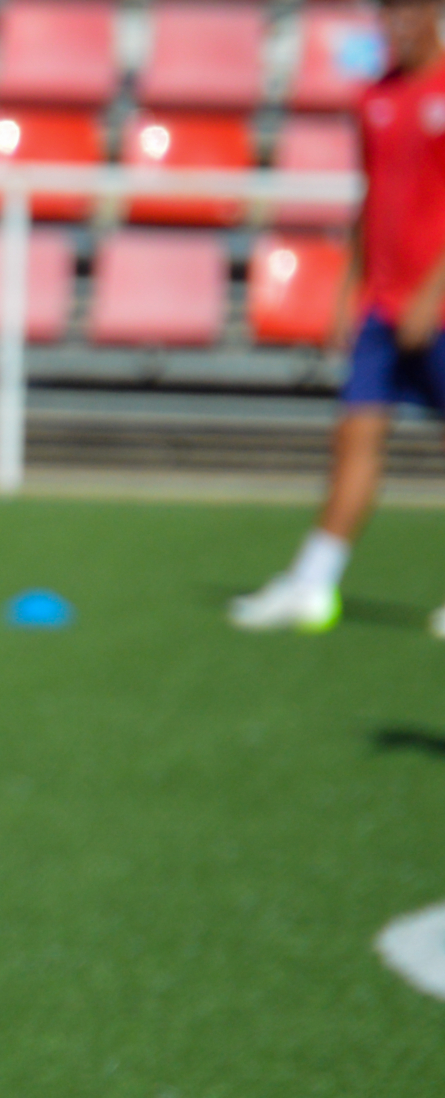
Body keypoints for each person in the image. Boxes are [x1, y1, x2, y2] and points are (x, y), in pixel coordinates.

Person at [230, 0, 445, 637]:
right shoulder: (374, 98)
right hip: (384, 303)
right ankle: (312, 581)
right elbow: (373, 197)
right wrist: (348, 288)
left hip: (433, 303)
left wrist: (433, 291)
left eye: (410, 13)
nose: (397, 27)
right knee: (354, 436)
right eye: (388, 15)